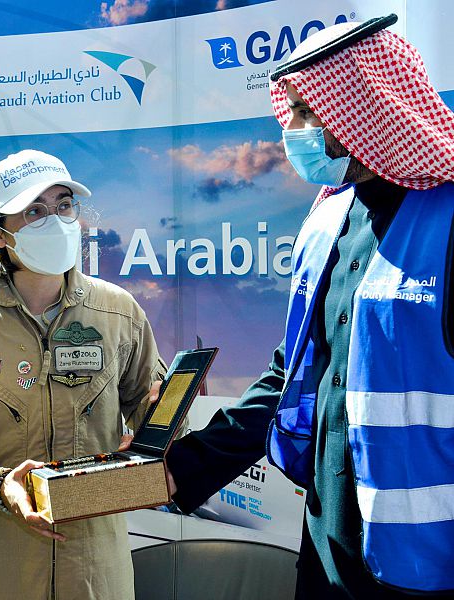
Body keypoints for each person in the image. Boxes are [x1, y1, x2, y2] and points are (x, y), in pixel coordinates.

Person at [155, 15, 454, 599]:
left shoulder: (447, 220)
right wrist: (184, 468)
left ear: (363, 105)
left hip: (430, 566)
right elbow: (291, 372)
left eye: (303, 111)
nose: (288, 129)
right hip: (327, 547)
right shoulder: (327, 220)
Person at [0, 149, 166, 600]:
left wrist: (164, 419)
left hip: (96, 577)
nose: (56, 221)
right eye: (34, 212)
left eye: (64, 205)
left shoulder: (119, 313)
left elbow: (152, 423)